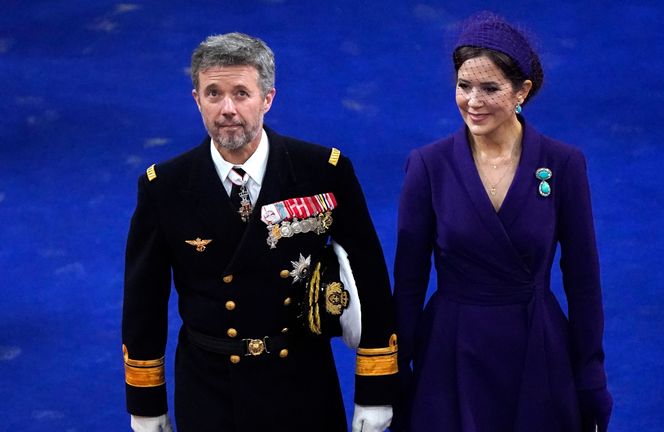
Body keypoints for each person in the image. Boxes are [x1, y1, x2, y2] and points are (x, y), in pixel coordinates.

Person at [122, 32, 398, 432]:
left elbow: (370, 279)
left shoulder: (322, 171)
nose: (227, 108)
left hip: (302, 386)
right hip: (210, 390)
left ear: (267, 98)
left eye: (241, 93)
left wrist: (374, 390)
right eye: (213, 94)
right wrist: (147, 404)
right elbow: (143, 302)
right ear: (196, 99)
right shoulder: (164, 186)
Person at [392, 12, 612, 431]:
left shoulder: (563, 165)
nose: (472, 101)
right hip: (450, 355)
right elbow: (407, 285)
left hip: (538, 353)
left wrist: (591, 377)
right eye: (463, 86)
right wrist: (393, 374)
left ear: (521, 92)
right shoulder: (427, 166)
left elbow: (583, 282)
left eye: (489, 88)